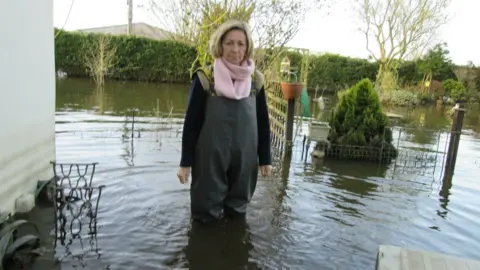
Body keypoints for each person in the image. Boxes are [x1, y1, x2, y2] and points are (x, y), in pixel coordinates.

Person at [177, 20, 272, 223]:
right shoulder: (205, 78)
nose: (235, 49)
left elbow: (263, 121)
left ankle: (233, 248)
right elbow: (191, 123)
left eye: (240, 44)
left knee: (238, 213)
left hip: (245, 158)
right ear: (220, 45)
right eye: (229, 43)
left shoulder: (257, 81)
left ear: (247, 48)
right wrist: (185, 163)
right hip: (210, 157)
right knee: (205, 214)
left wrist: (265, 158)